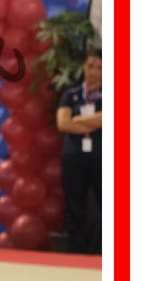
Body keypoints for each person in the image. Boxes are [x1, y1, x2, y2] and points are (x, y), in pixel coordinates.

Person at [56, 49, 102, 255]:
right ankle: (75, 253)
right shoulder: (71, 94)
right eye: (90, 66)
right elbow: (63, 123)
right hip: (74, 157)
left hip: (101, 157)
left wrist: (78, 119)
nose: (93, 71)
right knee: (74, 205)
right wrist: (93, 122)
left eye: (99, 68)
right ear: (84, 67)